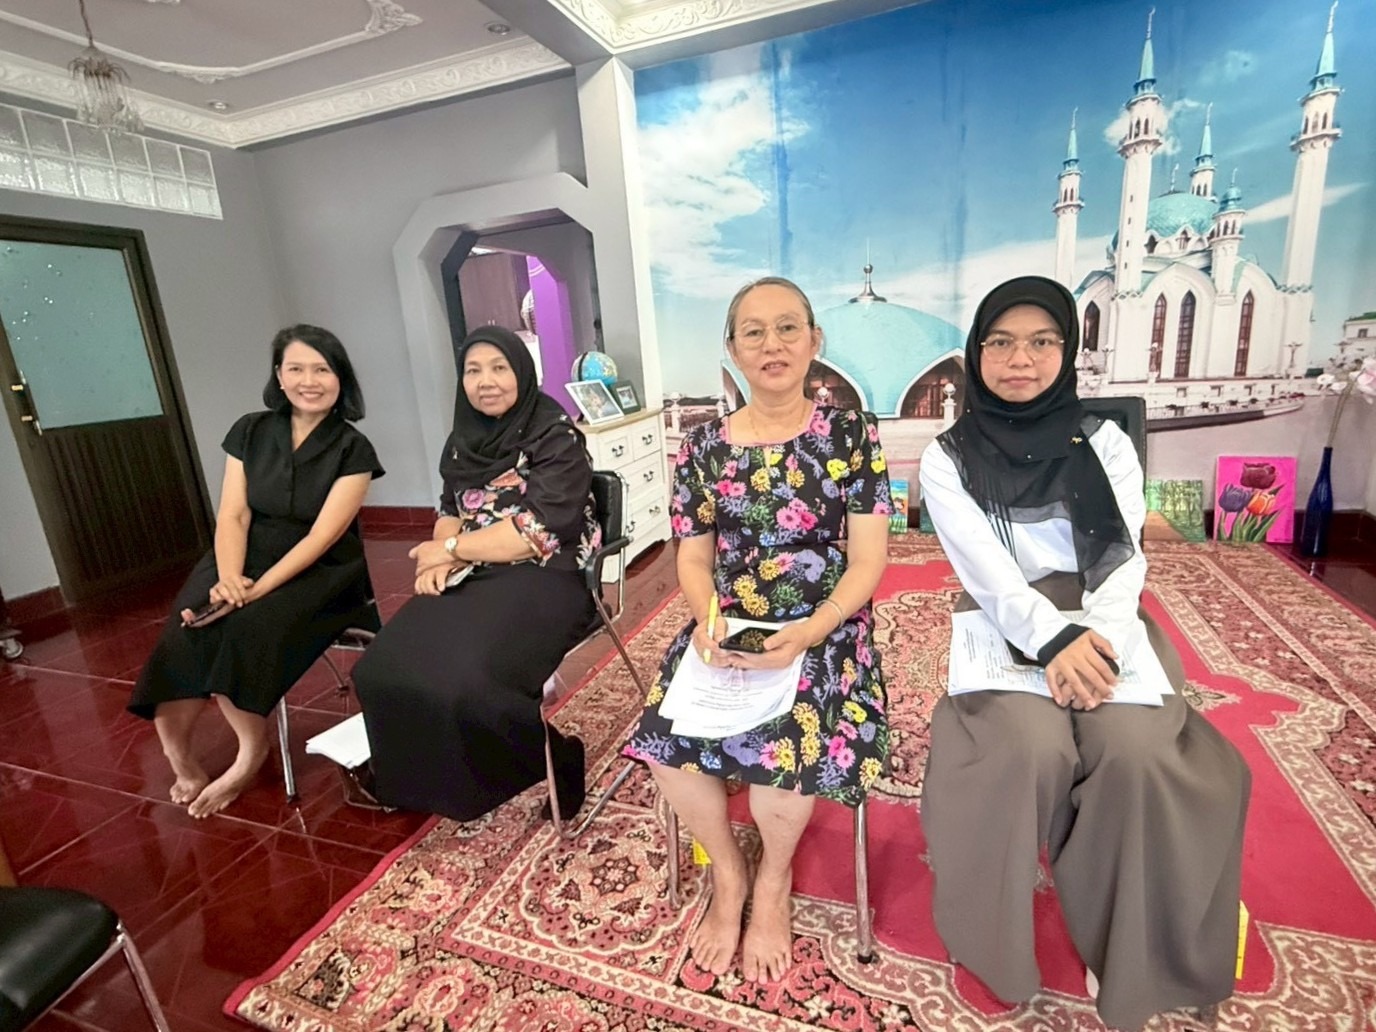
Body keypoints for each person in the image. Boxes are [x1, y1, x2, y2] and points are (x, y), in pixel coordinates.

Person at [918, 275, 1250, 1030]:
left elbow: (1123, 556)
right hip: (1006, 619)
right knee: (1027, 749)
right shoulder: (948, 456)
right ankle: (996, 941)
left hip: (1104, 619)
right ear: (976, 353)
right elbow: (986, 571)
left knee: (1136, 753)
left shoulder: (1104, 441)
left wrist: (1094, 640)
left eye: (1042, 342)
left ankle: (1128, 948)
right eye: (1001, 342)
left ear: (1067, 351)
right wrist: (1054, 640)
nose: (1020, 360)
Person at [623, 277, 892, 984]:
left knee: (785, 753)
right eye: (753, 332)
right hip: (729, 620)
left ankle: (773, 878)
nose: (772, 345)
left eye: (787, 328)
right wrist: (708, 623)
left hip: (823, 625)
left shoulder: (851, 434)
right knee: (665, 746)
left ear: (814, 341)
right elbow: (693, 558)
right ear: (733, 349)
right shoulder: (702, 447)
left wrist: (813, 629)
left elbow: (868, 560)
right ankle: (729, 873)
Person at [129, 325, 383, 819]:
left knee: (243, 629)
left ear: (340, 378)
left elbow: (321, 538)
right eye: (296, 369)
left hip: (320, 572)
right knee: (186, 627)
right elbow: (233, 515)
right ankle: (178, 756)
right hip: (242, 554)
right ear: (279, 377)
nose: (309, 381)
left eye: (322, 369)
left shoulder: (353, 450)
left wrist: (255, 590)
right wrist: (229, 578)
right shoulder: (249, 431)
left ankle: (251, 752)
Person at [353, 325, 600, 822]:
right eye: (473, 370)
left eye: (499, 368)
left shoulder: (555, 435)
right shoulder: (461, 441)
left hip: (549, 575)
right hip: (474, 570)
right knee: (380, 669)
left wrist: (449, 549)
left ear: (522, 373)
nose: (486, 381)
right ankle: (425, 780)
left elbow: (537, 533)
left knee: (468, 685)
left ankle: (558, 759)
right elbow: (451, 507)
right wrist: (445, 557)